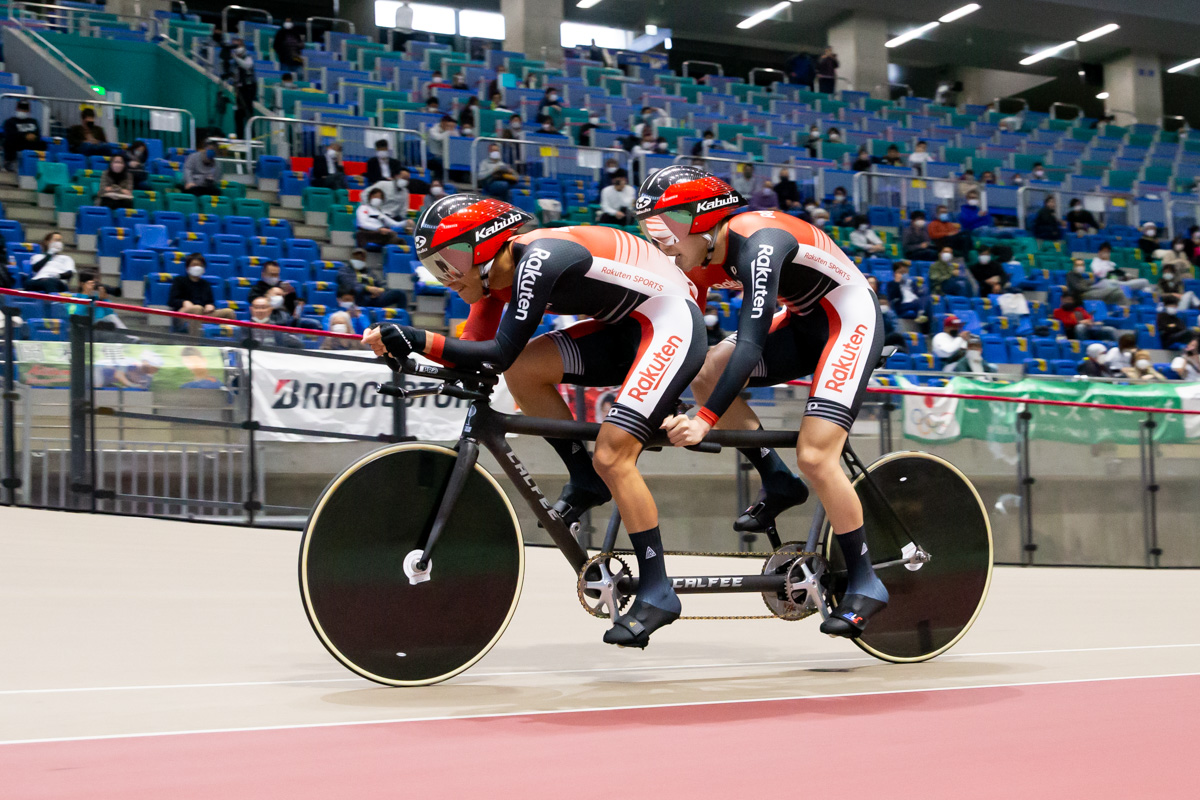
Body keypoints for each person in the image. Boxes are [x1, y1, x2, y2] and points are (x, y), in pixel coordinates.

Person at [365, 194, 708, 649]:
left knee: (613, 453)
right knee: (524, 369)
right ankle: (584, 479)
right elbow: (475, 361)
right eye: (434, 267)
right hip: (624, 326)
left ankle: (657, 589)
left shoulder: (539, 257)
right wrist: (402, 350)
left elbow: (494, 352)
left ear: (485, 247)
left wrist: (418, 338)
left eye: (450, 262)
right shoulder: (491, 285)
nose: (445, 278)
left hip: (670, 323)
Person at [635, 165, 890, 639]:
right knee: (709, 368)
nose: (659, 242)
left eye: (663, 228)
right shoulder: (700, 253)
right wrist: (659, 406)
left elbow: (750, 345)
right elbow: (686, 338)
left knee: (816, 455)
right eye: (648, 230)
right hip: (803, 318)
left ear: (700, 220)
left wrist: (705, 419)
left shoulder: (760, 244)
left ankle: (865, 581)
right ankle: (776, 479)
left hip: (848, 320)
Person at [166, 254, 236, 333]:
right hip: (182, 315)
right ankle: (195, 343)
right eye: (194, 265)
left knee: (229, 312)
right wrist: (183, 302)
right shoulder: (179, 281)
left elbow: (210, 301)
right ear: (187, 268)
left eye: (200, 265)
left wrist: (210, 305)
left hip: (203, 314)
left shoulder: (206, 284)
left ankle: (229, 343)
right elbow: (171, 301)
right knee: (197, 308)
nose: (197, 267)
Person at [338, 247, 408, 309]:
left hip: (374, 298)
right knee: (354, 292)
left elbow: (380, 283)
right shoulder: (344, 270)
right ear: (351, 258)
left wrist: (380, 290)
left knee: (400, 293)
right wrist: (367, 289)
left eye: (362, 257)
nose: (359, 258)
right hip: (358, 298)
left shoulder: (369, 272)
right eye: (357, 257)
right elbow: (350, 284)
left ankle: (402, 319)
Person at [3, 98, 43, 170]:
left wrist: (33, 137)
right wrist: (25, 136)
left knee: (42, 144)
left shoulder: (33, 121)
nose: (22, 111)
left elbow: (38, 135)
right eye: (21, 108)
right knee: (9, 142)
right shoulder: (10, 122)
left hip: (31, 144)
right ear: (17, 108)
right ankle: (11, 162)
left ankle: (39, 163)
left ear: (28, 110)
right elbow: (10, 135)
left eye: (25, 109)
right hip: (17, 144)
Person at [230, 38, 257, 138]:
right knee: (238, 115)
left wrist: (236, 58)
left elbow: (247, 66)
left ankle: (252, 137)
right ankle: (239, 137)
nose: (236, 49)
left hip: (248, 90)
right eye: (234, 47)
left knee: (248, 114)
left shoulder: (247, 56)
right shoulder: (234, 61)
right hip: (238, 90)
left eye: (238, 46)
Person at [427, 116, 458, 180]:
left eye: (452, 127)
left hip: (447, 156)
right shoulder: (433, 130)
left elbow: (458, 140)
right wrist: (449, 132)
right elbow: (438, 138)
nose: (450, 128)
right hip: (433, 156)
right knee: (441, 162)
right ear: (443, 122)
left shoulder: (453, 131)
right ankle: (439, 180)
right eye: (448, 125)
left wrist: (452, 131)